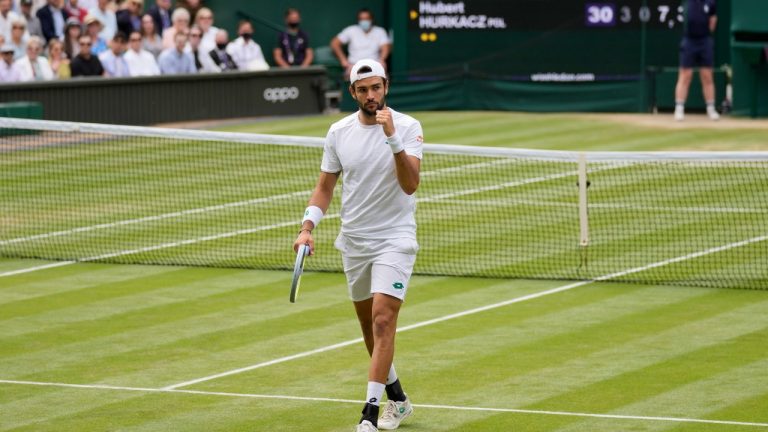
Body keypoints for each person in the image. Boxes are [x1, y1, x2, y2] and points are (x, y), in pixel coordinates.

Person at [293, 59, 420, 432]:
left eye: (376, 87)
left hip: (395, 239)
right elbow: (325, 187)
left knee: (384, 319)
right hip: (354, 241)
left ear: (386, 87)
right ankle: (398, 398)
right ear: (352, 93)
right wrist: (307, 227)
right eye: (362, 89)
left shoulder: (409, 127)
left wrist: (392, 137)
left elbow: (410, 184)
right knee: (369, 327)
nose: (370, 95)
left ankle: (369, 413)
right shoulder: (338, 132)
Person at [674, 0, 719, 121]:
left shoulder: (711, 2)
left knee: (707, 75)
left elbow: (713, 20)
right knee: (685, 75)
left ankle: (711, 109)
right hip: (689, 40)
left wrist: (706, 33)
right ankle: (679, 108)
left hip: (705, 41)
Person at [331, 9, 390, 78]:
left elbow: (385, 47)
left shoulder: (380, 31)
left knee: (382, 70)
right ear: (358, 20)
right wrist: (343, 60)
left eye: (366, 18)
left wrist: (382, 60)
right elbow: (334, 43)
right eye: (361, 19)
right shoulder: (351, 30)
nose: (364, 21)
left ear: (372, 19)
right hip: (354, 65)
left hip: (374, 65)